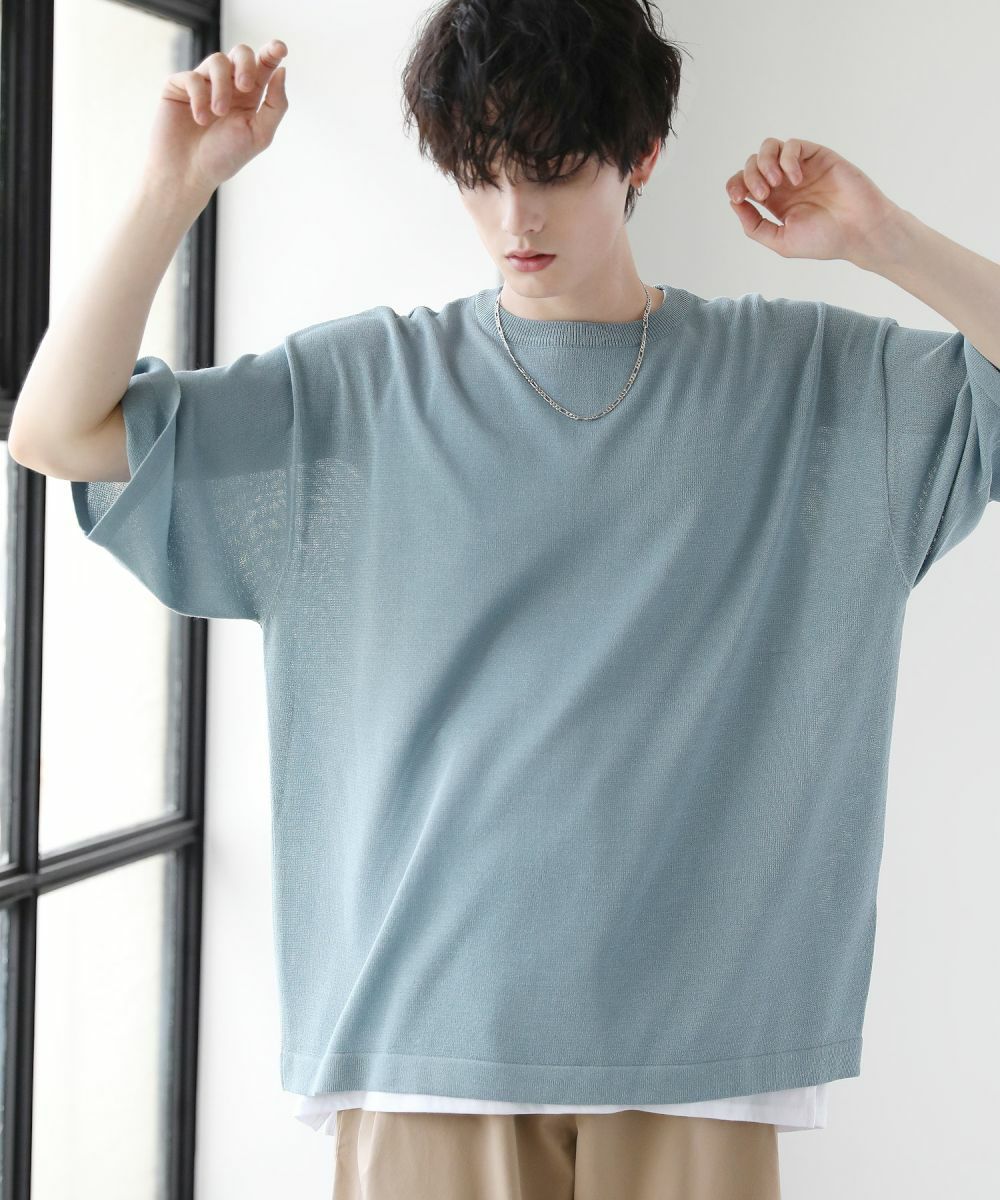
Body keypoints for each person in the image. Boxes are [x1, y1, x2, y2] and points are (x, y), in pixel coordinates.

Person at [11, 2, 1000, 1198]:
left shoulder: (796, 383)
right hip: (426, 1041)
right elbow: (58, 432)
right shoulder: (358, 392)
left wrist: (884, 239)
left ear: (641, 155)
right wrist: (172, 190)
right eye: (480, 174)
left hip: (698, 1046)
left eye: (553, 170)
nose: (514, 218)